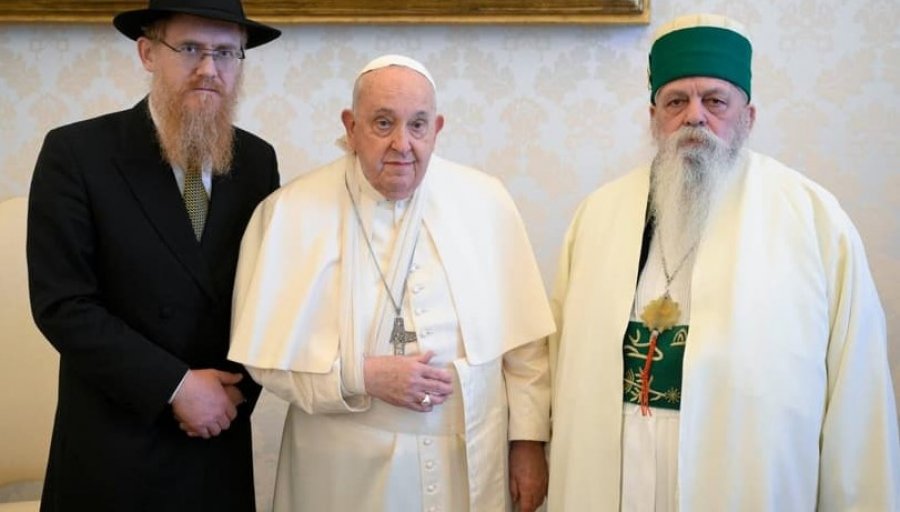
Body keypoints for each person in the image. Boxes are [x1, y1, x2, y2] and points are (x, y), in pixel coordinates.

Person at [547, 13, 900, 511]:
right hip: (616, 474)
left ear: (748, 116)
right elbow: (559, 360)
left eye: (715, 101)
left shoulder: (813, 219)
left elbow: (857, 393)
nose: (694, 117)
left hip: (744, 480)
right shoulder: (598, 215)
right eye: (676, 101)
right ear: (653, 118)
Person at [228, 54, 554, 512]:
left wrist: (528, 443)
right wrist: (363, 376)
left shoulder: (485, 202)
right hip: (340, 468)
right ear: (351, 126)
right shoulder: (291, 211)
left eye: (417, 125)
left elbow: (525, 349)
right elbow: (266, 361)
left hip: (467, 460)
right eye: (383, 123)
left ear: (436, 129)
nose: (402, 144)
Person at [26, 0, 280, 510]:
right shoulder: (77, 153)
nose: (209, 69)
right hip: (115, 447)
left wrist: (234, 394)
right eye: (189, 49)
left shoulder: (257, 160)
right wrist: (176, 386)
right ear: (147, 53)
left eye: (226, 53)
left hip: (216, 441)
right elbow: (63, 304)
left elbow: (268, 292)